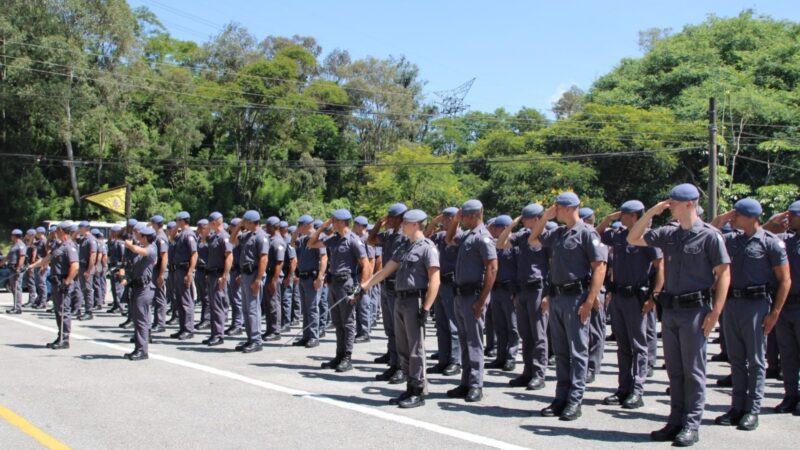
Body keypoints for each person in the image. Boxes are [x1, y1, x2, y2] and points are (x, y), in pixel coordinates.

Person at [627, 183, 731, 447]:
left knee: (693, 371)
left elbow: (723, 274)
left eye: (673, 202)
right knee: (675, 371)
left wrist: (716, 312)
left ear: (689, 204)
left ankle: (691, 424)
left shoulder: (710, 235)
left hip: (696, 311)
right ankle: (675, 421)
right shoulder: (669, 233)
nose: (669, 205)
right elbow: (633, 238)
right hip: (671, 311)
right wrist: (650, 212)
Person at [527, 193, 607, 421]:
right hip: (558, 297)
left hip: (577, 298)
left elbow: (599, 267)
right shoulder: (559, 234)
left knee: (578, 352)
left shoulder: (587, 233)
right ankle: (560, 397)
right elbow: (534, 239)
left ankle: (575, 400)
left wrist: (590, 300)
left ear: (568, 208)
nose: (554, 210)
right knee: (561, 352)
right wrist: (544, 218)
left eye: (557, 208)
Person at [710, 199, 790, 431]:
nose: (734, 218)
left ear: (752, 217)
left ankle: (752, 410)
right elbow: (710, 231)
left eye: (739, 214)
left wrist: (775, 312)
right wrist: (725, 216)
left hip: (757, 305)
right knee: (735, 359)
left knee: (755, 361)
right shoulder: (731, 239)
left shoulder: (770, 243)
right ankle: (737, 407)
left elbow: (785, 280)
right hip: (732, 304)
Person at [360, 209, 440, 408]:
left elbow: (434, 280)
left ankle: (418, 390)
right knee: (403, 347)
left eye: (405, 223)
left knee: (415, 348)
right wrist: (364, 286)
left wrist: (427, 308)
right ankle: (409, 386)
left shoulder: (427, 247)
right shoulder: (405, 247)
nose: (401, 226)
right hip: (400, 300)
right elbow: (386, 270)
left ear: (415, 224)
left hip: (415, 301)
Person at [596, 200, 664, 410]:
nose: (621, 217)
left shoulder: (647, 238)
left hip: (637, 297)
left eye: (624, 214)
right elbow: (596, 234)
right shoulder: (617, 235)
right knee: (623, 346)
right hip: (618, 296)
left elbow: (660, 268)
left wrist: (654, 297)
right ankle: (623, 388)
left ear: (634, 216)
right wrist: (608, 219)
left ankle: (637, 390)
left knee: (639, 346)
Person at [444, 199, 497, 403]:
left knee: (474, 342)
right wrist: (455, 222)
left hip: (473, 295)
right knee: (466, 341)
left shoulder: (483, 237)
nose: (462, 219)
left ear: (475, 215)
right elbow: (449, 239)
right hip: (461, 295)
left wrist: (482, 300)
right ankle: (465, 382)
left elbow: (492, 268)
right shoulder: (467, 235)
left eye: (464, 216)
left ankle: (476, 385)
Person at [496, 204, 550, 391]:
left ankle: (539, 373)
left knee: (538, 335)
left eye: (525, 218)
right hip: (521, 290)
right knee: (526, 334)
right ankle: (527, 371)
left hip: (538, 289)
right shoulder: (522, 236)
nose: (523, 221)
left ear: (536, 219)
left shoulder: (547, 235)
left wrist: (548, 295)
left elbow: (552, 265)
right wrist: (512, 225)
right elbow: (500, 243)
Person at [308, 209, 369, 372]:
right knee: (337, 322)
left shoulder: (354, 241)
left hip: (347, 283)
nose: (332, 223)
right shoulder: (334, 239)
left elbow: (366, 265)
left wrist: (360, 289)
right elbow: (311, 243)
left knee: (348, 322)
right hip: (333, 283)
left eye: (334, 221)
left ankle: (347, 357)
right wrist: (323, 226)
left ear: (343, 222)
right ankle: (339, 354)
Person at [764, 201, 800, 414]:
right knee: (787, 354)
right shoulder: (786, 240)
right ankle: (790, 395)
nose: (789, 219)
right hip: (786, 305)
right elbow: (760, 235)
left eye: (794, 216)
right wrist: (772, 222)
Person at [368, 203, 409, 383]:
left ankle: (402, 367)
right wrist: (378, 223)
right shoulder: (389, 235)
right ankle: (393, 364)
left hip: (396, 286)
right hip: (386, 286)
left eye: (392, 217)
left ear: (401, 219)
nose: (389, 220)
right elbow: (371, 240)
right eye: (388, 217)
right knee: (390, 329)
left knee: (399, 331)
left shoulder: (404, 237)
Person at [28, 221, 79, 349]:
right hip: (56, 281)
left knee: (63, 311)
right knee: (58, 311)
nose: (55, 231)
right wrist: (32, 266)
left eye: (57, 229)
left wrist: (67, 282)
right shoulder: (59, 245)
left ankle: (65, 339)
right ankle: (60, 336)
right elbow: (47, 258)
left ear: (62, 230)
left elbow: (75, 266)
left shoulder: (69, 246)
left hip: (63, 282)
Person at [426, 207, 462, 376]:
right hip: (440, 283)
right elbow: (424, 237)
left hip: (452, 283)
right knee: (441, 324)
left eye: (449, 218)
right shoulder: (439, 236)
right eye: (445, 218)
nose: (445, 221)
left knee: (453, 324)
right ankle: (443, 359)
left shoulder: (460, 236)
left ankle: (455, 361)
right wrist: (433, 222)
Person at [231, 210, 269, 353]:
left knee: (253, 309)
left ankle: (256, 340)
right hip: (246, 274)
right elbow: (232, 240)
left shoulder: (261, 236)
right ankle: (250, 338)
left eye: (245, 221)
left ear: (251, 222)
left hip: (254, 275)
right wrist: (239, 226)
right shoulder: (247, 235)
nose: (243, 223)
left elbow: (264, 259)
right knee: (246, 309)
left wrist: (258, 279)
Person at [486, 215, 519, 372]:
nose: (496, 230)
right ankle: (500, 357)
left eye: (499, 227)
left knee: (512, 326)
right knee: (499, 325)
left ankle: (511, 357)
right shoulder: (493, 244)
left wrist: (516, 292)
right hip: (496, 289)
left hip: (509, 290)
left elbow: (519, 270)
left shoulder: (515, 245)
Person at [291, 215, 327, 348]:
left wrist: (320, 277)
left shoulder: (318, 238)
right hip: (303, 277)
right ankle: (306, 336)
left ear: (306, 225)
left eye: (299, 225)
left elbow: (324, 258)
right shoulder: (302, 240)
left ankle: (313, 336)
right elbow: (292, 243)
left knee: (312, 309)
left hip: (313, 278)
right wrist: (296, 233)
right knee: (305, 309)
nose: (298, 227)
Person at [123, 226, 158, 360]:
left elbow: (140, 250)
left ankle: (143, 350)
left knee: (142, 321)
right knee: (137, 320)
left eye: (140, 235)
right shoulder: (143, 248)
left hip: (144, 289)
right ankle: (138, 348)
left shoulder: (151, 248)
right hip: (137, 287)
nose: (137, 237)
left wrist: (130, 245)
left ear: (145, 237)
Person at [204, 212, 233, 347]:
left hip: (219, 275)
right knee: (213, 306)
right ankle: (214, 333)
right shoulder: (214, 236)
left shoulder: (224, 237)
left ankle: (219, 335)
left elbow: (229, 257)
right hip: (212, 275)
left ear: (215, 222)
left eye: (210, 222)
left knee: (218, 306)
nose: (208, 225)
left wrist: (225, 276)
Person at [170, 212, 198, 340]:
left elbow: (194, 254)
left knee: (186, 301)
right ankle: (183, 328)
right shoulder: (181, 234)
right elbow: (171, 237)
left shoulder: (189, 234)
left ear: (182, 221)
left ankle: (188, 329)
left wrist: (190, 272)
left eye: (177, 220)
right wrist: (176, 226)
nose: (176, 222)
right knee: (180, 301)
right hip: (178, 270)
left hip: (184, 270)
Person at [225, 218, 245, 336]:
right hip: (233, 271)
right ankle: (235, 323)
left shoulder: (241, 238)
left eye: (232, 226)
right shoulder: (235, 238)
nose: (230, 228)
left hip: (238, 271)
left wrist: (241, 274)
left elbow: (244, 258)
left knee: (237, 300)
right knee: (233, 299)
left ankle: (238, 324)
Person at [150, 215, 169, 334]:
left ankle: (160, 323)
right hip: (156, 270)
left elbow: (164, 257)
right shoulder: (157, 236)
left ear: (156, 224)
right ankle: (157, 321)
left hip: (160, 271)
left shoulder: (161, 238)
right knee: (156, 298)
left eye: (152, 224)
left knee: (160, 297)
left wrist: (161, 274)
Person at [75, 221, 97, 321]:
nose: (79, 229)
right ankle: (85, 310)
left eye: (80, 227)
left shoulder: (91, 240)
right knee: (84, 289)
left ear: (86, 228)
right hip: (82, 267)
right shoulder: (84, 239)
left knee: (88, 290)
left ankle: (89, 312)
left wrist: (89, 270)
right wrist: (76, 232)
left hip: (87, 268)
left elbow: (93, 255)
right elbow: (73, 238)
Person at [5, 229, 27, 314]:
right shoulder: (14, 245)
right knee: (13, 288)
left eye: (12, 235)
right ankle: (15, 306)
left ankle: (18, 308)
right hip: (11, 268)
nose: (11, 236)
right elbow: (8, 256)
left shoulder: (21, 245)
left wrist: (19, 267)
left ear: (15, 236)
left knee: (17, 288)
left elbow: (22, 257)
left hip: (16, 269)